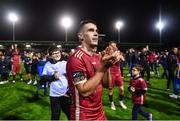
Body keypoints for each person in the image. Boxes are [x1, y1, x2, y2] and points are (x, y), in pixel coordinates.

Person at [66, 19, 122, 120]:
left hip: (99, 111)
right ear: (80, 36)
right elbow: (84, 91)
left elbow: (106, 84)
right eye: (91, 30)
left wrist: (108, 65)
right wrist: (103, 67)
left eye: (96, 31)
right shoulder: (76, 58)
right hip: (83, 114)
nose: (96, 34)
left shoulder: (97, 56)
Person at [42, 46, 70, 120]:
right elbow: (43, 77)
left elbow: (71, 78)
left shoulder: (65, 63)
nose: (57, 55)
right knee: (55, 115)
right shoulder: (48, 65)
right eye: (54, 54)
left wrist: (69, 91)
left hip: (65, 93)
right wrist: (52, 77)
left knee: (70, 113)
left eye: (58, 53)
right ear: (50, 56)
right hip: (54, 94)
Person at [107, 41, 127, 110]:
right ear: (109, 46)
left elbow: (124, 61)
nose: (113, 46)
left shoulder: (118, 53)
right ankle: (112, 103)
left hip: (118, 73)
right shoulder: (107, 53)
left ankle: (121, 101)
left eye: (114, 45)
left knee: (122, 89)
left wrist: (122, 58)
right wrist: (115, 59)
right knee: (111, 90)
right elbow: (107, 63)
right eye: (112, 45)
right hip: (111, 74)